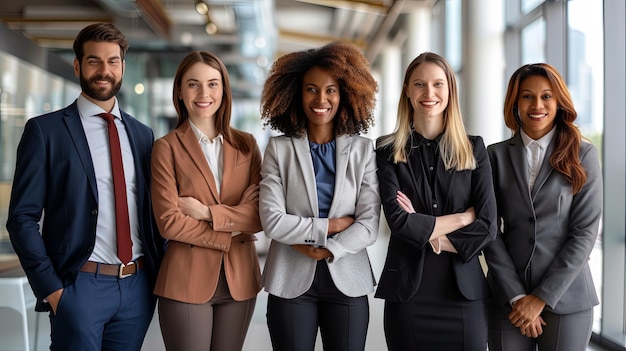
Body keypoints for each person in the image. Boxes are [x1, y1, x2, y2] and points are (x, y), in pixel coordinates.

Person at [5, 22, 164, 350]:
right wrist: (52, 289)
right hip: (79, 287)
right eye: (94, 61)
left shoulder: (142, 136)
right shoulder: (45, 132)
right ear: (78, 65)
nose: (103, 70)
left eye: (112, 61)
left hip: (137, 287)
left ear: (122, 66)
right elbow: (22, 218)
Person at [259, 41, 380, 351]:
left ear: (346, 95)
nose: (321, 99)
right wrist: (331, 226)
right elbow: (272, 221)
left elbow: (368, 224)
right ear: (296, 94)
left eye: (331, 90)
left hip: (348, 280)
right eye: (311, 89)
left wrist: (330, 249)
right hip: (290, 281)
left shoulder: (364, 151)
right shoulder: (278, 149)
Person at [374, 52, 497, 351]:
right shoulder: (387, 151)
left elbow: (488, 226)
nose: (429, 93)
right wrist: (461, 219)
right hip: (408, 296)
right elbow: (400, 223)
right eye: (420, 84)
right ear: (407, 90)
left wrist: (429, 232)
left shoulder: (474, 148)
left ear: (450, 90)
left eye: (438, 84)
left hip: (464, 295)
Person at [484, 63, 602, 351]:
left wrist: (540, 299)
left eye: (546, 96)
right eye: (527, 96)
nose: (537, 105)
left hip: (568, 297)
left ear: (558, 101)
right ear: (515, 102)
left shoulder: (583, 154)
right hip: (508, 298)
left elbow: (584, 234)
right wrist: (517, 297)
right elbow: (489, 229)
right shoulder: (494, 155)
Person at [150, 50, 263, 350]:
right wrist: (232, 229)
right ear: (179, 90)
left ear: (224, 90)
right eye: (193, 84)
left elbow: (260, 215)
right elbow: (169, 223)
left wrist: (205, 212)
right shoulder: (166, 149)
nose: (204, 93)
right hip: (184, 280)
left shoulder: (247, 145)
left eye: (213, 84)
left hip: (240, 280)